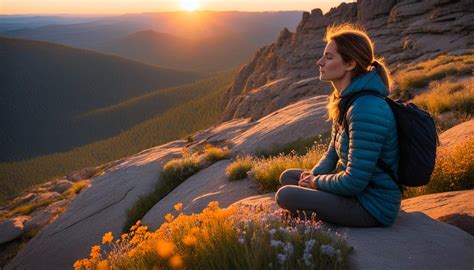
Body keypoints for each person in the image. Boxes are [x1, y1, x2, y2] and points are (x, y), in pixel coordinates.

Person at [275, 22, 401, 228]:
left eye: (329, 57)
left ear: (350, 64)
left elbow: (354, 181)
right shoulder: (346, 100)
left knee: (286, 195)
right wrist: (313, 175)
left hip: (371, 205)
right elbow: (332, 152)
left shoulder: (366, 108)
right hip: (355, 192)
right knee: (288, 176)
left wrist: (315, 184)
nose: (320, 62)